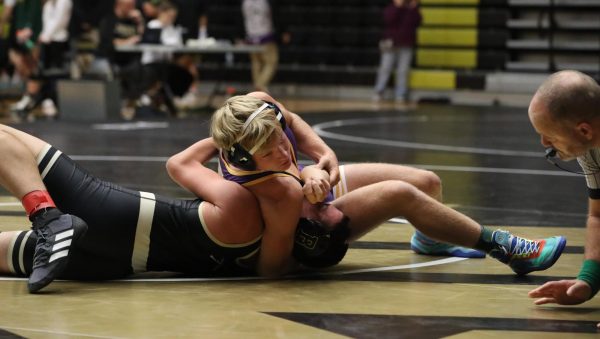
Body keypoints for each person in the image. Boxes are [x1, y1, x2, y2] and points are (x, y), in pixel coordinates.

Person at [168, 91, 567, 278]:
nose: (283, 149)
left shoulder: (260, 111)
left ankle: (428, 239)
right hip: (303, 226)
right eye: (270, 151)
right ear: (243, 157)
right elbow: (272, 271)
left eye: (278, 136)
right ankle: (507, 248)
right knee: (401, 194)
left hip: (306, 192)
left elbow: (294, 127)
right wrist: (303, 238)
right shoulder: (274, 193)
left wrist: (321, 159)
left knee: (428, 182)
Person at [526, 70, 600, 325]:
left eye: (551, 136)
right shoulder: (590, 150)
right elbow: (598, 216)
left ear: (584, 130)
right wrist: (589, 279)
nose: (545, 143)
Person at [373, 0, 421, 105]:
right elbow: (389, 19)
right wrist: (397, 6)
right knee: (385, 67)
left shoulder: (412, 9)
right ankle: (379, 90)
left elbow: (416, 22)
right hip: (390, 43)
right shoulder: (391, 7)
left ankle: (401, 93)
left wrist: (412, 8)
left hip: (406, 43)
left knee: (403, 70)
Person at [239, 0, 289, 92]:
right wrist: (283, 31)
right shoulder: (265, 2)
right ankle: (260, 85)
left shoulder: (246, 2)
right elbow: (276, 15)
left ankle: (257, 89)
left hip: (251, 35)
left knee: (256, 62)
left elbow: (241, 18)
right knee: (271, 61)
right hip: (265, 36)